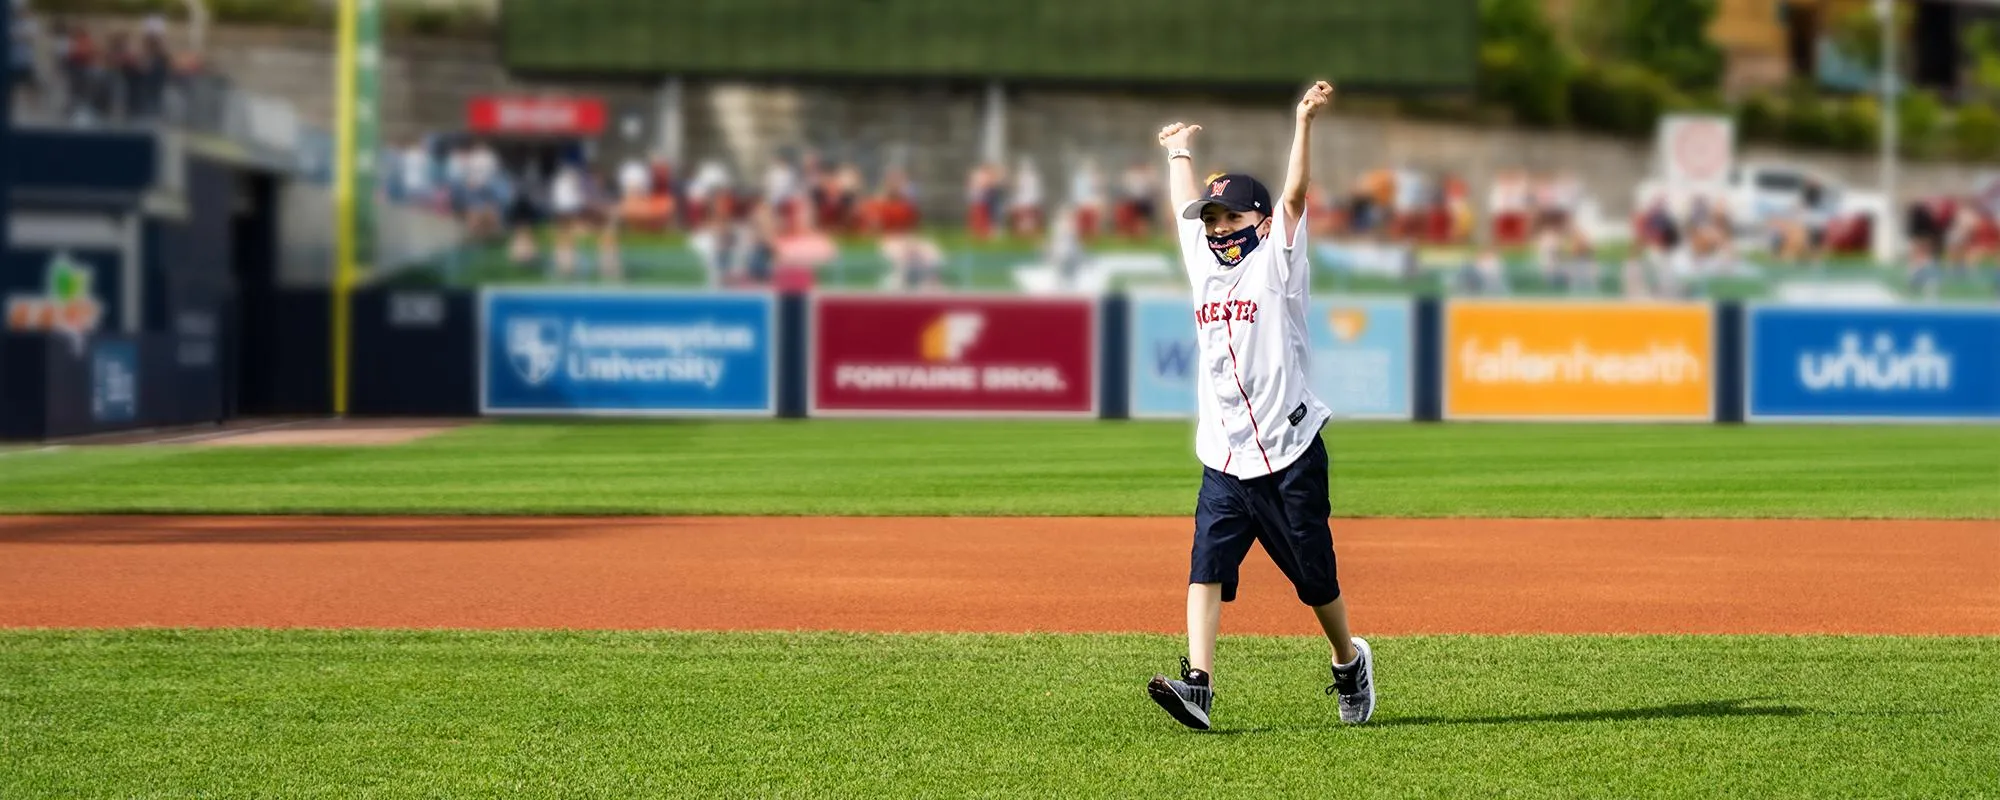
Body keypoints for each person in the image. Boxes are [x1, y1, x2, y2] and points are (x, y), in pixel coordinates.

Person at [1145, 80, 1375, 732]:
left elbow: (1297, 194)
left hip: (1290, 451)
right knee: (1205, 567)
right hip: (1223, 453)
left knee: (1314, 580)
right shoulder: (1204, 263)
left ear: (1262, 224)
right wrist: (1177, 152)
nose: (1216, 227)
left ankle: (1346, 661)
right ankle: (1199, 686)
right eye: (1211, 220)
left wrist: (1303, 121)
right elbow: (1183, 204)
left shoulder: (1278, 261)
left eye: (1229, 218)